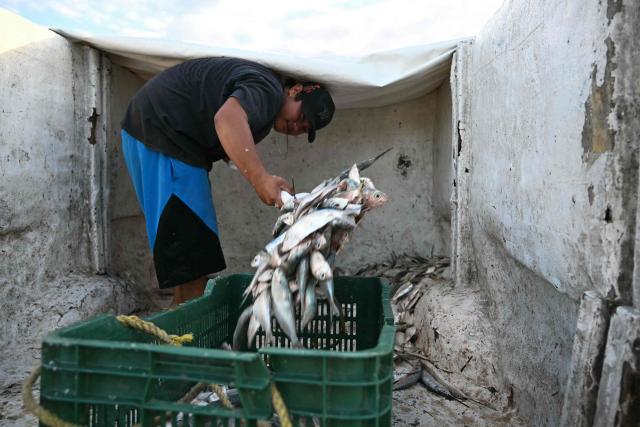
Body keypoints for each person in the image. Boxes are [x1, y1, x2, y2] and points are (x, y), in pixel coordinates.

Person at [120, 57, 335, 304]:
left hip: (153, 132)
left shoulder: (263, 97)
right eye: (302, 115)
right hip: (166, 136)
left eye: (304, 128)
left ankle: (177, 331)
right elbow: (227, 120)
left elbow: (227, 134)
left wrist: (265, 180)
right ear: (295, 90)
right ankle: (182, 337)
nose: (297, 126)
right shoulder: (268, 89)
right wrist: (261, 179)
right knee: (194, 261)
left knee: (190, 260)